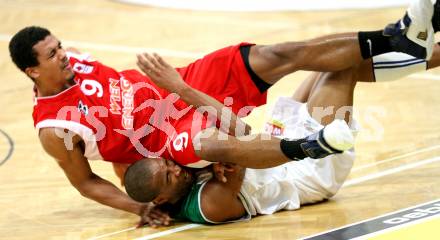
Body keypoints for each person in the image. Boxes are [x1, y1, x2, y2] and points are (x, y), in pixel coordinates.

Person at [7, 0, 440, 225]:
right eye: (52, 54)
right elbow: (85, 183)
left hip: (183, 80)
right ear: (32, 70)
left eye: (60, 46)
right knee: (215, 139)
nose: (63, 55)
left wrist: (177, 84)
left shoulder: (76, 60)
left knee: (279, 54)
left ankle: (401, 39)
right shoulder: (54, 128)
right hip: (163, 132)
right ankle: (310, 145)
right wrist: (135, 206)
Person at [124, 42, 440, 226]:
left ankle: (415, 42)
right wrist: (181, 90)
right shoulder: (206, 206)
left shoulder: (183, 177)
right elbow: (242, 137)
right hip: (310, 171)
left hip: (276, 143)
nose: (176, 169)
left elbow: (242, 139)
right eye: (169, 176)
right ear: (163, 198)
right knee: (344, 69)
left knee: (334, 59)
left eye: (168, 164)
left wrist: (209, 162)